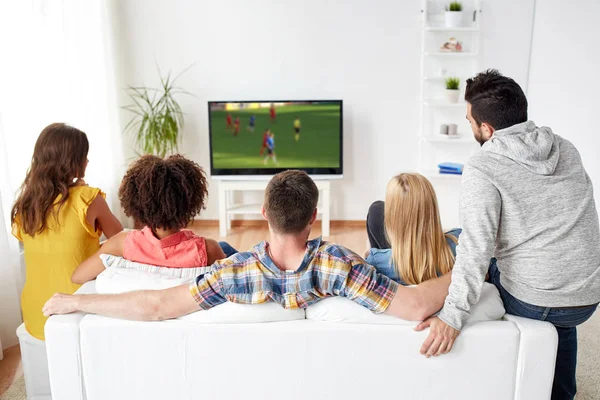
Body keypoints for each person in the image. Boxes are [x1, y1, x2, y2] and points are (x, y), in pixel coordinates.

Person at [43, 170, 452, 326]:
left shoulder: (234, 272)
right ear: (314, 216)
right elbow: (415, 305)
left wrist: (79, 303)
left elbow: (156, 306)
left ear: (263, 213)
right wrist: (467, 265)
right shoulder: (340, 265)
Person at [418, 69, 600, 400]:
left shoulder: (484, 166)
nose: (469, 126)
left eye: (470, 120)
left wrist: (452, 317)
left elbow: (476, 249)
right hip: (587, 296)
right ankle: (562, 393)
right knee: (560, 318)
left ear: (486, 129)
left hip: (534, 299)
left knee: (464, 245)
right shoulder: (566, 148)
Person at [11, 123, 123, 340]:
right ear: (71, 161)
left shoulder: (25, 205)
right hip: (73, 310)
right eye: (84, 156)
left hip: (35, 313)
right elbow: (119, 239)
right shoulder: (87, 198)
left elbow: (55, 248)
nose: (87, 161)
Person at [71, 155, 230, 284]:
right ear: (190, 203)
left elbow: (77, 277)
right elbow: (230, 282)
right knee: (226, 247)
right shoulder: (208, 249)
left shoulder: (121, 243)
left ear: (136, 203)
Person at [365, 173, 461, 285]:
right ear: (432, 210)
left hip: (398, 265)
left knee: (376, 209)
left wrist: (369, 252)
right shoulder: (460, 241)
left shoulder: (377, 260)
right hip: (439, 258)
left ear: (391, 217)